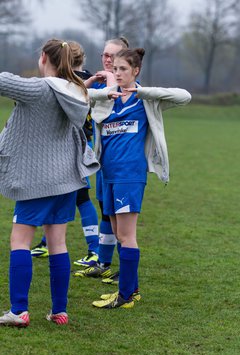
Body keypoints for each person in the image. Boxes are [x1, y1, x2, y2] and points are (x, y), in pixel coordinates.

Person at [0, 38, 99, 326]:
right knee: (58, 244)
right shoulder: (77, 90)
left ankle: (18, 311)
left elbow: (3, 81)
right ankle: (60, 312)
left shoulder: (41, 88)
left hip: (36, 180)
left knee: (19, 240)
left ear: (44, 57)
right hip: (67, 180)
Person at [88, 47, 192, 309]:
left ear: (136, 71)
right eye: (115, 69)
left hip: (129, 175)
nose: (118, 73)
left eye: (123, 69)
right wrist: (100, 89)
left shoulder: (144, 100)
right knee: (116, 231)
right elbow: (78, 96)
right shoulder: (107, 98)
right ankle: (130, 290)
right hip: (107, 174)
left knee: (126, 235)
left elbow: (184, 96)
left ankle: (125, 296)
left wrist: (142, 91)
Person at [31, 42, 100, 268]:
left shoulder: (67, 82)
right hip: (80, 143)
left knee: (75, 197)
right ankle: (46, 242)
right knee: (66, 195)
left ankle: (94, 249)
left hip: (71, 144)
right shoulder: (87, 78)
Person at [73, 37, 129, 284]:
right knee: (106, 211)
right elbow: (75, 96)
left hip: (125, 168)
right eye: (104, 55)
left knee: (119, 218)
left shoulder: (130, 91)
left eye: (112, 56)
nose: (106, 60)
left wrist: (109, 81)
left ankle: (124, 276)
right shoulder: (99, 89)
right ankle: (103, 263)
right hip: (103, 163)